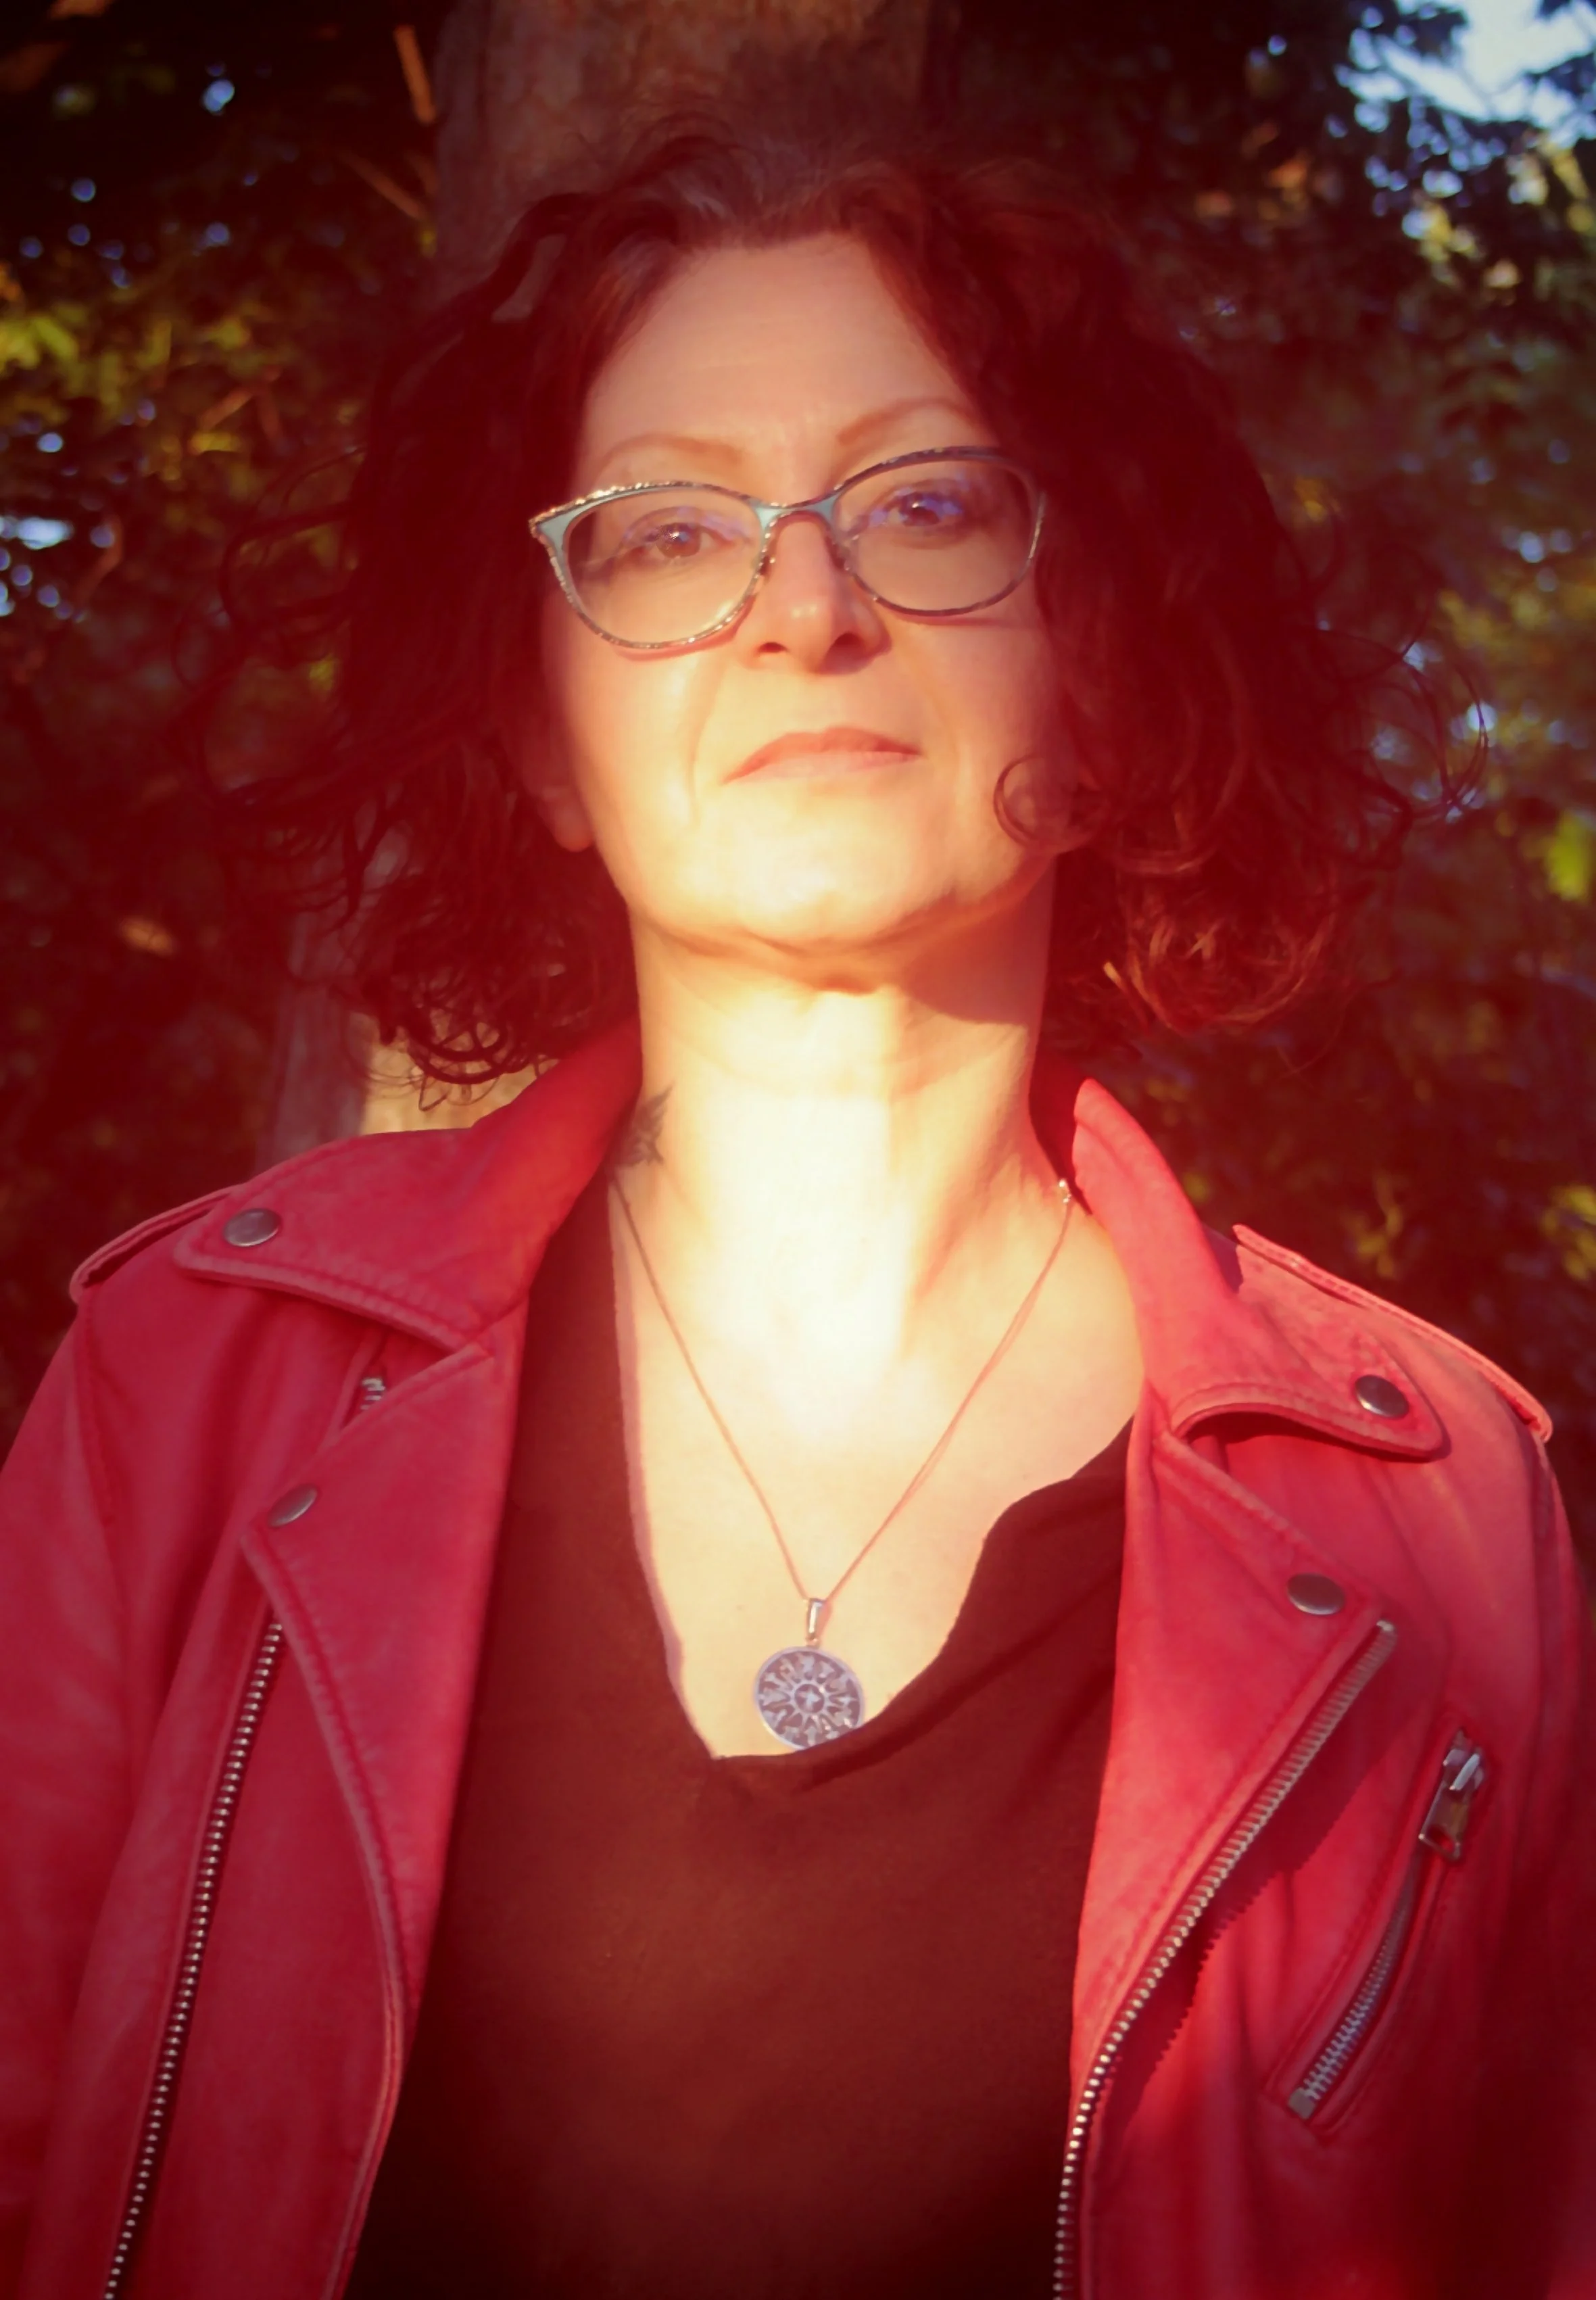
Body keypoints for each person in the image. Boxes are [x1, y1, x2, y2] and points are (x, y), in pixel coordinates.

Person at [1, 117, 1592, 2300]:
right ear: (546, 741)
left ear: (1103, 671)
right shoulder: (192, 1380)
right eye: (667, 534)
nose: (808, 607)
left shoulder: (1444, 1517)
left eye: (926, 503)